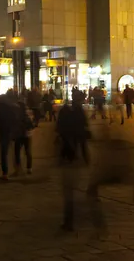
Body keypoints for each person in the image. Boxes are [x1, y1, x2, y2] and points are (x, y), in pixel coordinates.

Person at [57, 89, 90, 231]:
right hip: (74, 146)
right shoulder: (77, 110)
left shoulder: (68, 111)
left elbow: (62, 128)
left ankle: (69, 221)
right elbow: (83, 123)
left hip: (69, 155)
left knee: (69, 190)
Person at [0, 92, 16, 180]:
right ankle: (15, 168)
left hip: (3, 133)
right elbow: (13, 119)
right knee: (9, 151)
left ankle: (5, 173)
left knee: (3, 153)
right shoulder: (10, 108)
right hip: (9, 132)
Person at [12, 98, 34, 176]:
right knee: (28, 152)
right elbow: (32, 125)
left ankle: (18, 169)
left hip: (19, 135)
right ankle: (29, 168)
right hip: (27, 135)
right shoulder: (28, 113)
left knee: (17, 152)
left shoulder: (17, 114)